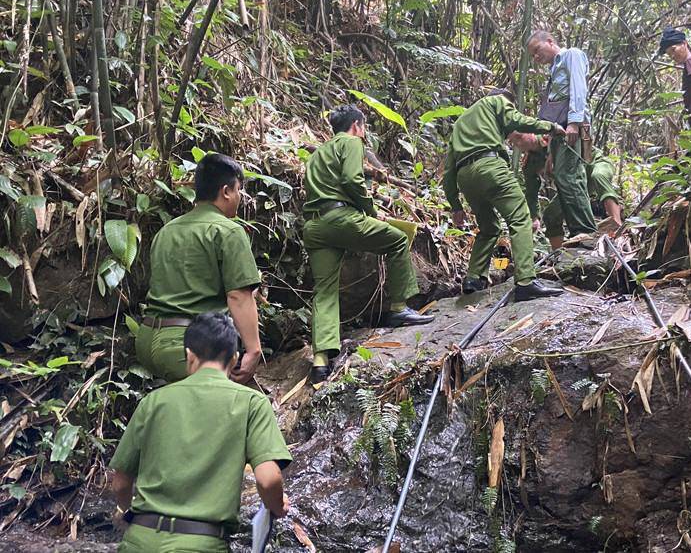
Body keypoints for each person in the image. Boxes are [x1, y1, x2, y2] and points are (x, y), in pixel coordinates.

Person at [110, 312, 292, 552]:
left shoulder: (153, 401)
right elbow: (268, 480)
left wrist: (124, 511)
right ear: (234, 358)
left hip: (140, 540)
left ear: (189, 356)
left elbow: (121, 482)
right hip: (202, 543)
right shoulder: (251, 403)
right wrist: (277, 506)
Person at [303, 104, 434, 383]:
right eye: (364, 128)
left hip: (315, 227)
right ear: (357, 126)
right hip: (343, 219)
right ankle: (398, 308)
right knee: (398, 240)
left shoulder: (317, 154)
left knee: (325, 290)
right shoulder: (351, 142)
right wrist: (369, 210)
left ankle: (320, 361)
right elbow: (352, 179)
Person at [137, 153, 262, 384]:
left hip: (147, 339)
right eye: (238, 191)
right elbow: (238, 296)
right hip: (188, 345)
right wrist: (253, 351)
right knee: (243, 405)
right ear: (225, 191)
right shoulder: (228, 231)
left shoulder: (167, 231)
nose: (239, 197)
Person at [443, 89, 565, 301]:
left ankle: (473, 278)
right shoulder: (497, 101)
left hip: (465, 177)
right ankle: (526, 281)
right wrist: (550, 127)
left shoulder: (461, 122)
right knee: (519, 218)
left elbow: (448, 168)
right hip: (490, 166)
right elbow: (515, 120)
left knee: (489, 228)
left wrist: (455, 205)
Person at [526, 30, 597, 245]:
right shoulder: (554, 69)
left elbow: (578, 88)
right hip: (559, 129)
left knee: (570, 175)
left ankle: (585, 231)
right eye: (533, 55)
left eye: (537, 50)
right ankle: (577, 232)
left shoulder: (571, 55)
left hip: (570, 126)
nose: (536, 58)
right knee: (562, 175)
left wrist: (575, 122)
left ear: (550, 41)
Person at [512, 134, 623, 248]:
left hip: (595, 165)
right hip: (574, 184)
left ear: (530, 134)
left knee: (598, 175)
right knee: (551, 215)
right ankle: (559, 254)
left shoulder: (554, 137)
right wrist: (534, 216)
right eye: (514, 141)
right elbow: (531, 190)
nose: (519, 143)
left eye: (520, 138)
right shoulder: (530, 163)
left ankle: (616, 222)